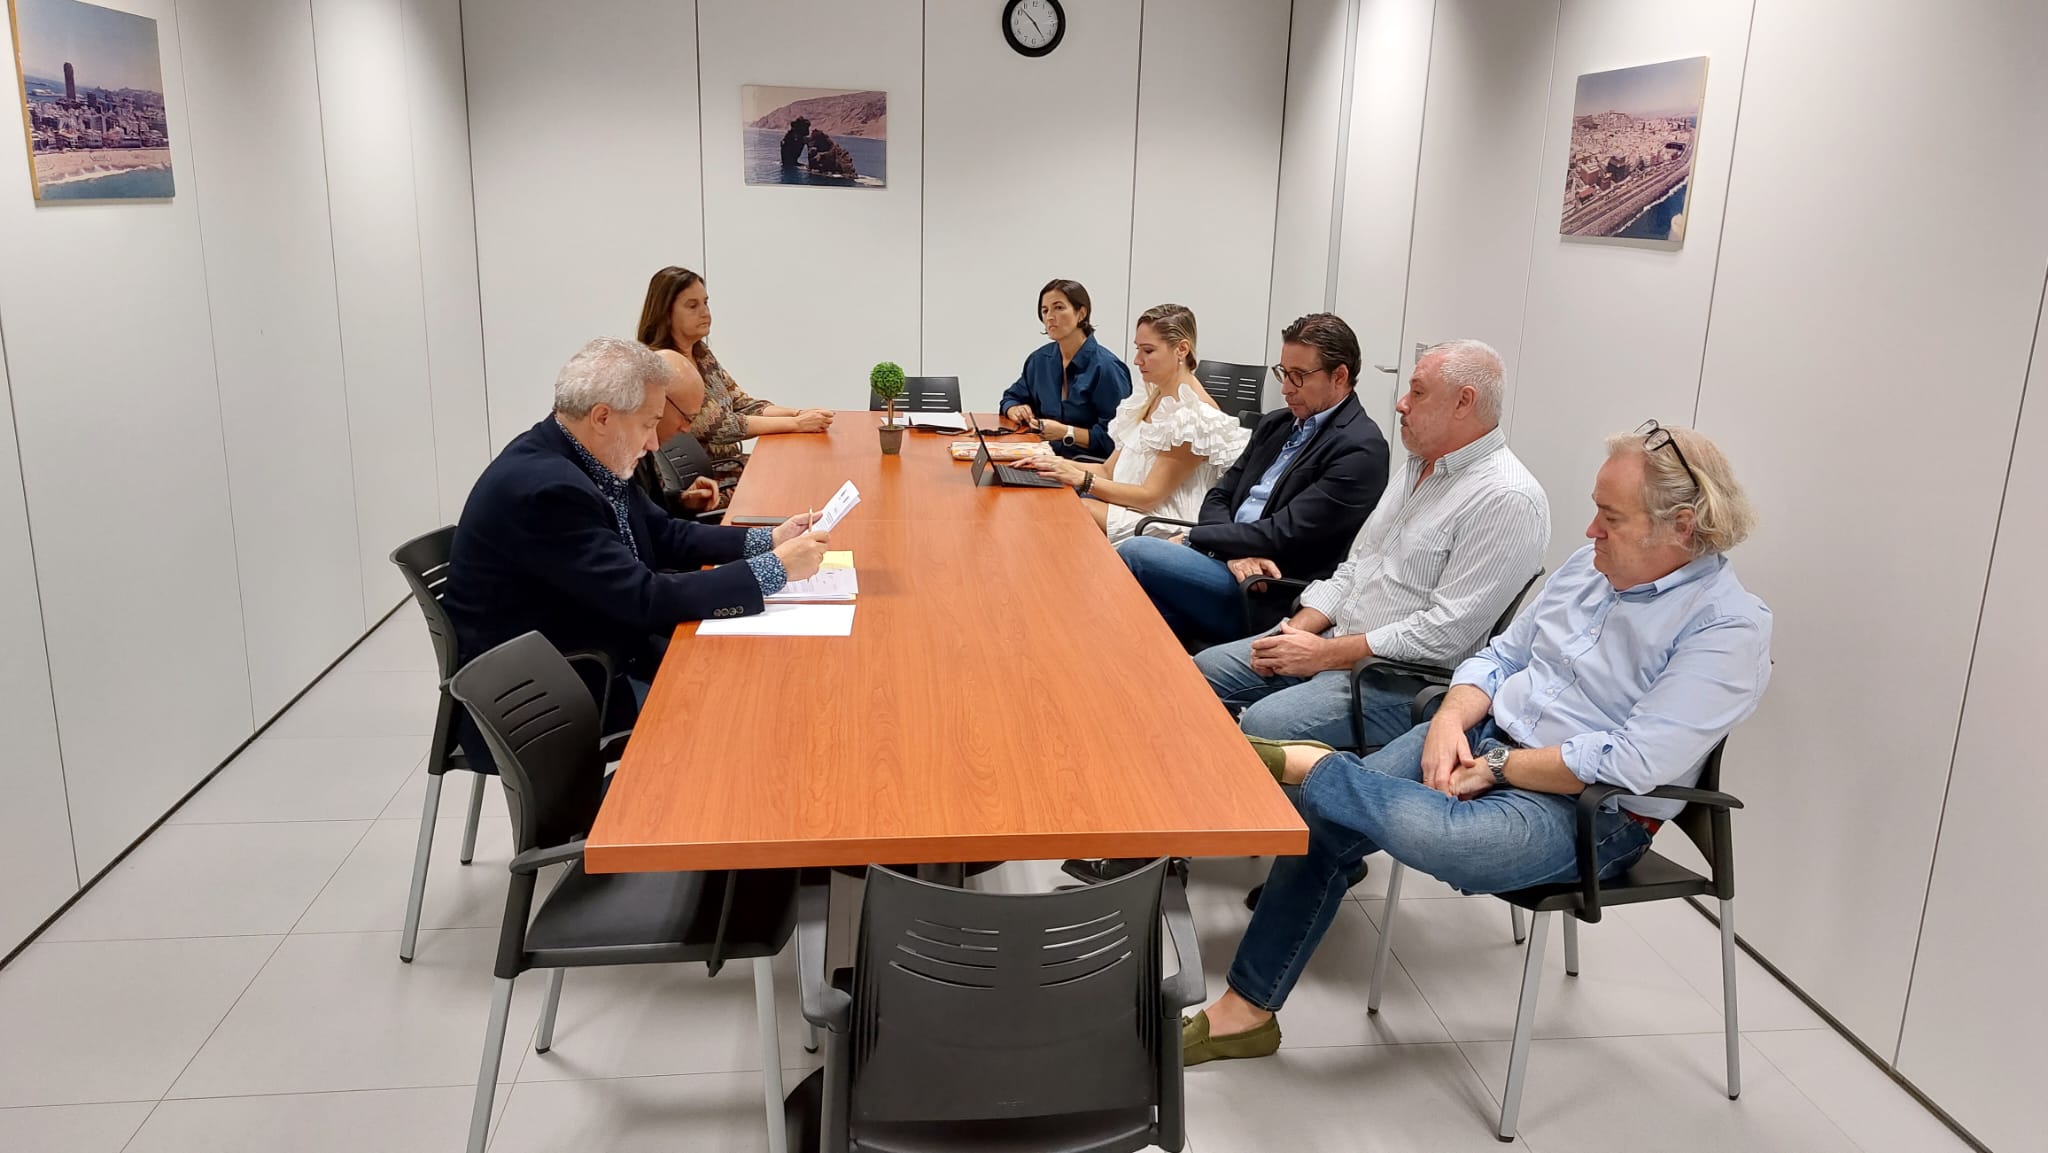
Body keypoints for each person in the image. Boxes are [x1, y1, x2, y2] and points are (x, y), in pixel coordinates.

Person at [1181, 422, 1771, 1067]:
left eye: (1610, 518)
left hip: (1592, 808)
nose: (1590, 531)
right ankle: (1247, 1015)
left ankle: (1313, 768)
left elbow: (1634, 761)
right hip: (1486, 737)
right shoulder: (1589, 569)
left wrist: (1500, 766)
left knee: (1447, 843)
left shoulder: (1727, 628)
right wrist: (1448, 723)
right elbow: (1499, 658)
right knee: (1327, 824)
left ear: (1681, 527)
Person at [444, 337, 832, 748]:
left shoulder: (588, 456)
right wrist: (775, 569)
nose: (653, 443)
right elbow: (641, 599)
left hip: (599, 650)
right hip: (556, 693)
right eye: (649, 424)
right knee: (743, 714)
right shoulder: (548, 491)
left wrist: (768, 539)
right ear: (602, 417)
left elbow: (664, 533)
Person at [1197, 340, 1549, 751]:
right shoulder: (1416, 466)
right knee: (1203, 671)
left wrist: (1323, 654)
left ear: (1463, 402)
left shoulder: (1507, 498)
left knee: (1265, 722)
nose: (1401, 404)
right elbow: (1357, 566)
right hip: (1334, 641)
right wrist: (1296, 632)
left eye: (1417, 392)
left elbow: (1444, 634)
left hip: (1397, 678)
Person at [1116, 313, 1390, 648]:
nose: (1286, 388)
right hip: (1229, 563)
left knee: (1136, 553)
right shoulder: (1276, 424)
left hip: (1267, 590)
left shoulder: (1360, 449)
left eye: (1298, 376)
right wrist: (1230, 552)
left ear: (1340, 376)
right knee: (1140, 614)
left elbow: (1282, 534)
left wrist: (1196, 538)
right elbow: (1219, 495)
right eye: (1283, 373)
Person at [1017, 304, 1250, 540]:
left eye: (1148, 351)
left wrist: (1082, 479)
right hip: (1131, 507)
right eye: (1138, 349)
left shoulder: (1195, 416)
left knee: (1072, 510)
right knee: (1054, 496)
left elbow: (1149, 497)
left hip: (1164, 523)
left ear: (1181, 349)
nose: (1137, 360)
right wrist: (1053, 464)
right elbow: (1108, 470)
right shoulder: (1150, 396)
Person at [635, 265, 835, 483]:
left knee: (807, 466)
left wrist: (798, 414)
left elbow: (743, 404)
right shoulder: (663, 366)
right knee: (798, 478)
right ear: (666, 314)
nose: (705, 312)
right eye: (692, 306)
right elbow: (720, 426)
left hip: (732, 466)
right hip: (710, 483)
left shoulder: (702, 355)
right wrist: (797, 425)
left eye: (705, 302)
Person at [998, 279, 1133, 459]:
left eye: (1059, 308)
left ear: (1081, 313)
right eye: (1045, 310)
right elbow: (1011, 397)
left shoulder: (1107, 368)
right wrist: (1014, 408)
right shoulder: (1039, 360)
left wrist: (1066, 432)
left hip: (1085, 467)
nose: (1050, 317)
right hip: (1039, 457)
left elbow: (1117, 440)